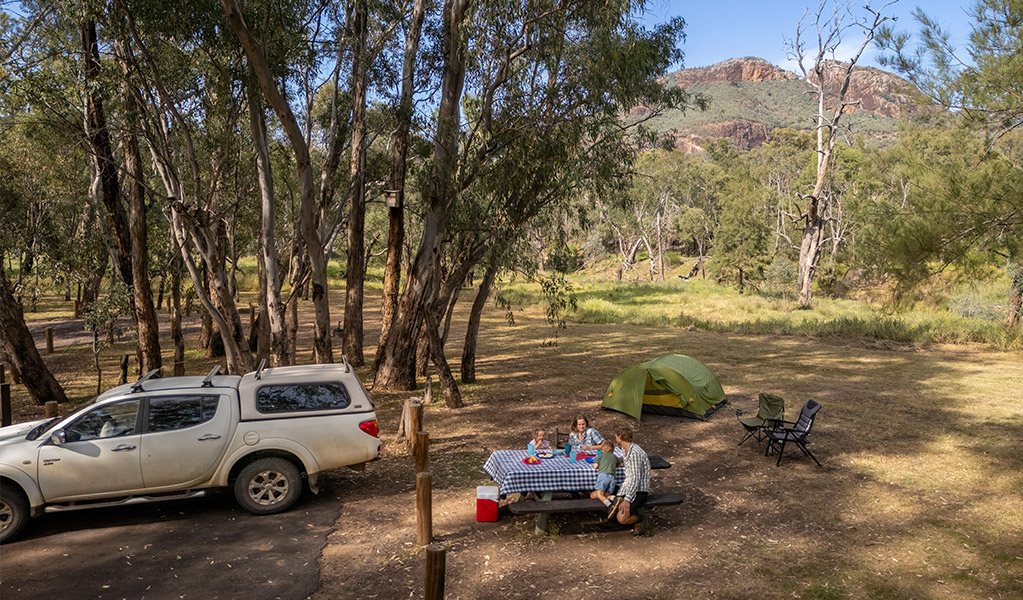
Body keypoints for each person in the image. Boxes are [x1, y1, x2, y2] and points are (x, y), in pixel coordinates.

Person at [606, 426, 651, 535]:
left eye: (616, 436)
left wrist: (627, 499)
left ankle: (640, 519)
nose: (615, 438)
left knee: (622, 517)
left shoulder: (635, 453)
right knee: (605, 490)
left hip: (639, 491)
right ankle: (613, 518)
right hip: (628, 486)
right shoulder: (625, 450)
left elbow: (635, 479)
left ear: (620, 437)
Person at [589, 440, 618, 508]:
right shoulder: (614, 457)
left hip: (603, 476)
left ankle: (609, 506)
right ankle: (613, 498)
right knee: (606, 495)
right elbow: (620, 464)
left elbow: (595, 466)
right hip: (612, 478)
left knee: (599, 494)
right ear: (613, 450)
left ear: (602, 450)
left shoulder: (600, 456)